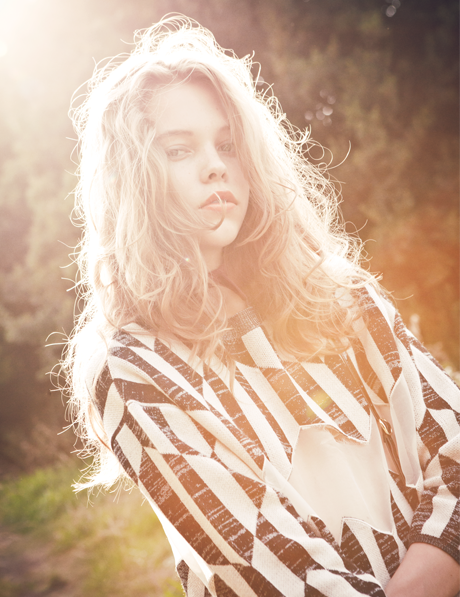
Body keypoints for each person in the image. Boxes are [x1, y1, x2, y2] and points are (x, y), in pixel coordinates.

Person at [65, 16, 460, 597]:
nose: (216, 165)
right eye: (179, 149)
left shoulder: (343, 298)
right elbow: (282, 578)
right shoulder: (132, 370)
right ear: (132, 179)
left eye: (228, 145)